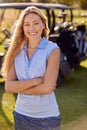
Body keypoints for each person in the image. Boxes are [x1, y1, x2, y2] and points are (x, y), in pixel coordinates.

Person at [1, 6, 61, 130]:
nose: (31, 28)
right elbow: (8, 87)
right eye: (27, 24)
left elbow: (47, 88)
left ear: (44, 25)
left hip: (47, 117)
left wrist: (19, 87)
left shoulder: (52, 50)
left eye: (36, 23)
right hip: (21, 115)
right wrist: (35, 81)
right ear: (22, 28)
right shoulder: (16, 50)